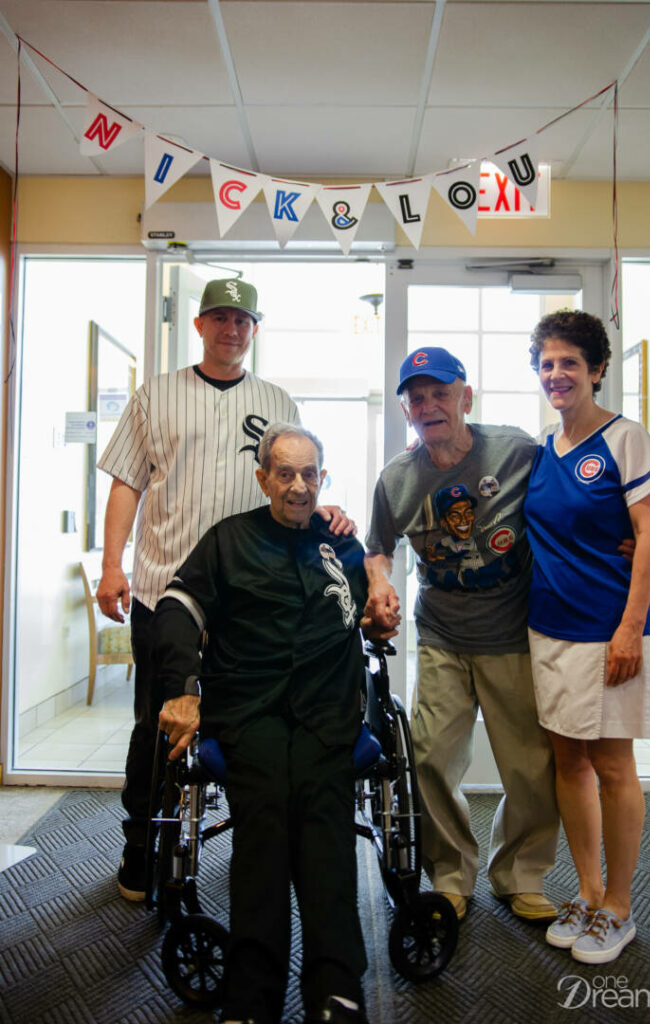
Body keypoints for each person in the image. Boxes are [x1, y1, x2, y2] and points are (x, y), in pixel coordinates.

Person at [96, 278, 353, 901]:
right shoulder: (156, 396)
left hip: (248, 602)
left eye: (242, 320)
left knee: (246, 721)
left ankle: (259, 840)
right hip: (165, 590)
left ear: (253, 329)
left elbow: (296, 481)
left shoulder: (276, 399)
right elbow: (128, 481)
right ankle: (140, 847)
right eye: (219, 318)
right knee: (156, 725)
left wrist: (327, 511)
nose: (230, 330)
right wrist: (112, 564)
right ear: (200, 325)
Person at [154, 424, 387, 1024]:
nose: (299, 486)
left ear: (323, 478)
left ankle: (335, 987)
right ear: (263, 479)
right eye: (285, 473)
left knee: (325, 827)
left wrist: (381, 609)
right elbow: (178, 607)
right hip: (249, 709)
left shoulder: (341, 544)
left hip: (327, 713)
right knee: (263, 826)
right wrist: (184, 690)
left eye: (310, 474)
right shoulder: (228, 539)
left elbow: (373, 610)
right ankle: (252, 994)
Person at [364, 346, 560, 924]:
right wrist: (379, 583)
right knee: (429, 759)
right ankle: (451, 876)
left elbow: (575, 497)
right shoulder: (397, 479)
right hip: (442, 635)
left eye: (440, 393)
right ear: (406, 411)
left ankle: (519, 875)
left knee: (529, 766)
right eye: (416, 397)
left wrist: (620, 537)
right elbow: (378, 549)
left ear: (465, 398)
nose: (429, 405)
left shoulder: (518, 449)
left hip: (514, 633)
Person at [524, 310, 650, 964]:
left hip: (609, 631)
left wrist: (630, 628)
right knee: (570, 763)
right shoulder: (542, 448)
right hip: (548, 631)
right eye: (548, 363)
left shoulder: (625, 438)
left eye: (570, 364)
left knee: (613, 766)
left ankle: (618, 906)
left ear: (597, 370)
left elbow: (649, 534)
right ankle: (583, 892)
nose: (557, 375)